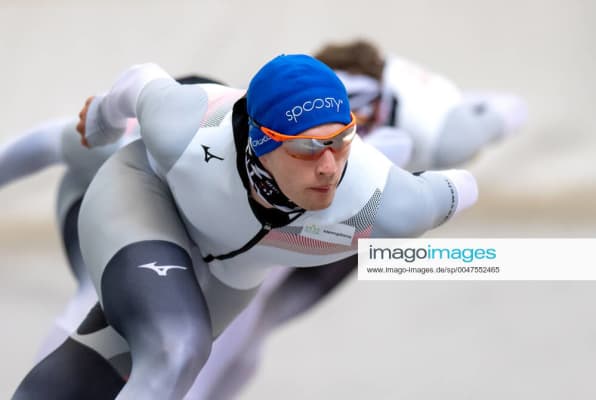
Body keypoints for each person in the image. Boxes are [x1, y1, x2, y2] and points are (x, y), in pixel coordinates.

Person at [11, 54, 477, 399]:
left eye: (342, 140)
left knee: (145, 362)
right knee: (177, 345)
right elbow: (137, 82)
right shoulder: (184, 127)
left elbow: (454, 185)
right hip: (139, 202)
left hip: (230, 270)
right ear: (259, 143)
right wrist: (102, 117)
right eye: (307, 149)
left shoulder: (378, 197)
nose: (328, 168)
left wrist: (456, 177)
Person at [185, 40, 529, 399]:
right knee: (245, 333)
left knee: (249, 339)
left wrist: (424, 88)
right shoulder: (379, 103)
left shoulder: (386, 106)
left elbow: (494, 117)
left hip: (319, 220)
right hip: (309, 219)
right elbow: (498, 116)